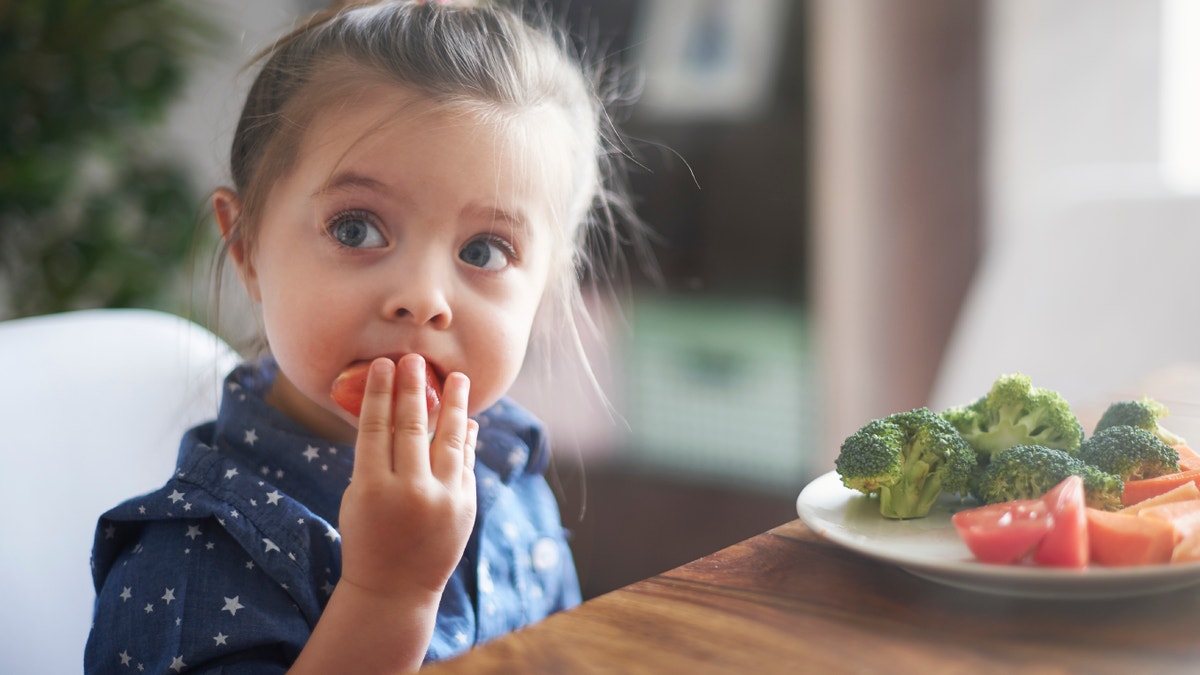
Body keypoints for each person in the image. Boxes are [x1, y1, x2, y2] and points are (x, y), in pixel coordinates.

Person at [85, 1, 641, 672]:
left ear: (549, 289)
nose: (423, 298)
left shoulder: (510, 474)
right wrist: (388, 594)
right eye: (355, 229)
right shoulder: (190, 563)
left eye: (486, 250)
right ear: (248, 247)